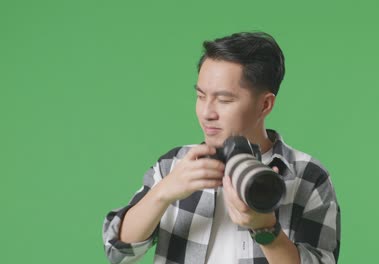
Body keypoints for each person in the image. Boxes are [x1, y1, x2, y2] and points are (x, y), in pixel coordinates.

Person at [102, 32, 340, 264]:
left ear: (265, 104)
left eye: (224, 100)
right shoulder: (175, 165)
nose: (207, 113)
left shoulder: (308, 176)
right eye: (201, 96)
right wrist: (164, 191)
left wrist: (266, 230)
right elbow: (118, 251)